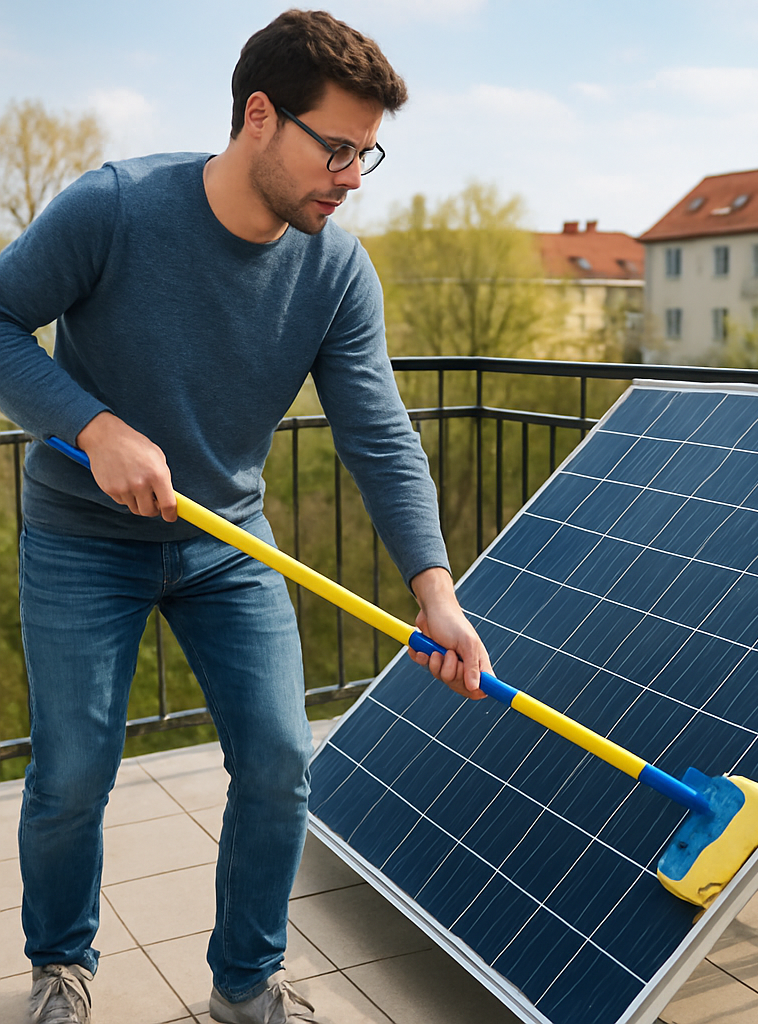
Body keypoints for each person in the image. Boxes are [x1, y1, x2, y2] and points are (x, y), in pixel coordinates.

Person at [0, 9, 491, 1024]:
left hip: (226, 542)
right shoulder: (114, 208)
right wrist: (92, 426)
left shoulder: (335, 271)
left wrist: (435, 591)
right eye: (337, 148)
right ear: (259, 116)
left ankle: (245, 985)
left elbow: (380, 435)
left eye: (366, 153)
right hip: (82, 538)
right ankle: (61, 968)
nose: (352, 178)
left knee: (278, 759)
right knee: (74, 773)